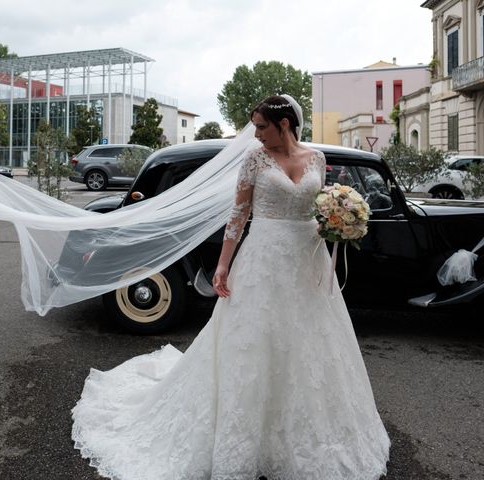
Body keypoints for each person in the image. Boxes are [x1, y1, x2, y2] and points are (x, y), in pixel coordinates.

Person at [70, 95, 390, 479]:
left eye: (261, 126)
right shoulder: (255, 159)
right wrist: (223, 265)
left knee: (311, 341)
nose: (255, 134)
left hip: (307, 259)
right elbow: (238, 215)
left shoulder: (317, 159)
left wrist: (335, 222)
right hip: (263, 260)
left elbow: (316, 206)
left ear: (285, 124)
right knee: (252, 342)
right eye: (254, 126)